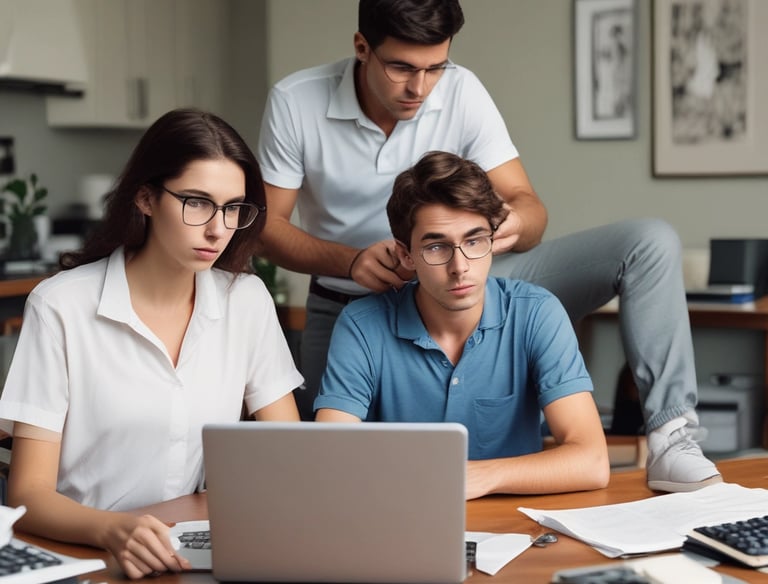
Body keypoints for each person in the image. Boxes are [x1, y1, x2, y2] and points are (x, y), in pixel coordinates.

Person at [255, 0, 721, 493]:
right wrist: (349, 260)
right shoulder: (297, 101)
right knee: (328, 475)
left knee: (649, 243)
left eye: (435, 67)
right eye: (401, 68)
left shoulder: (462, 90)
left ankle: (673, 436)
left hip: (473, 276)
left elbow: (531, 209)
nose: (420, 87)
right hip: (351, 295)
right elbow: (267, 228)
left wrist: (490, 234)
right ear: (361, 48)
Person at [0, 108, 303, 579]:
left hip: (186, 552)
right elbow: (28, 494)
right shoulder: (61, 305)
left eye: (233, 208)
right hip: (86, 559)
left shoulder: (245, 300)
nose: (218, 229)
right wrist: (112, 530)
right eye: (197, 202)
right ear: (145, 198)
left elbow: (290, 457)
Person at [315, 151, 610, 499]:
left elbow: (591, 461)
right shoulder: (361, 326)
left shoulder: (537, 313)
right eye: (437, 247)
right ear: (406, 254)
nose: (460, 266)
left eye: (474, 241)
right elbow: (330, 461)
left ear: (493, 241)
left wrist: (482, 476)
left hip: (515, 526)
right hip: (403, 516)